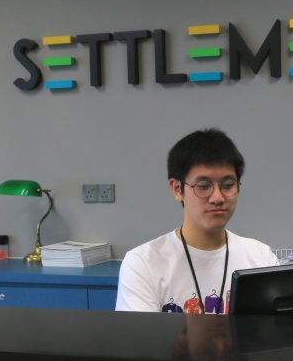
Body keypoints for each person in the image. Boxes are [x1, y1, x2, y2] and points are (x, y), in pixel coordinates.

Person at [116, 128, 277, 313]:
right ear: (177, 189)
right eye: (203, 186)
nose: (217, 197)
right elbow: (142, 340)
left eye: (228, 185)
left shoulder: (261, 259)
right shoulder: (143, 263)